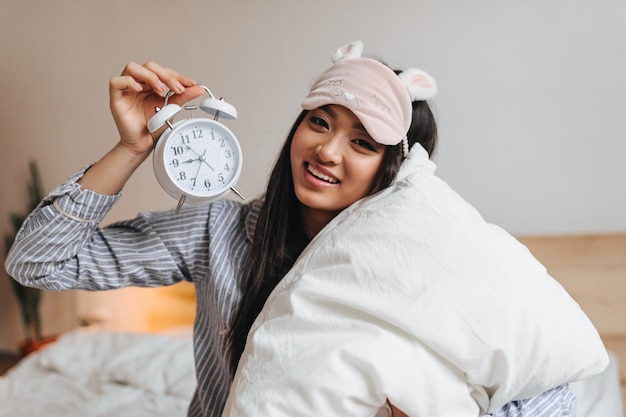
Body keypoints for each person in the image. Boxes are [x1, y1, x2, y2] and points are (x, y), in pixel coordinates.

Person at [5, 41, 580, 416]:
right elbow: (36, 262)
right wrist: (133, 146)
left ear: (394, 166)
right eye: (319, 122)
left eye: (361, 142)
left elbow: (554, 386)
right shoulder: (217, 230)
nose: (327, 151)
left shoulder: (428, 264)